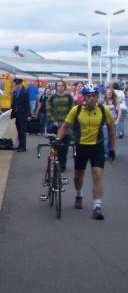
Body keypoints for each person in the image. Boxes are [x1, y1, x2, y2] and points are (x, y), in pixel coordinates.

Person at [56, 84, 115, 220]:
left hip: (97, 147)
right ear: (84, 97)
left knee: (97, 174)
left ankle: (97, 207)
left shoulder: (103, 110)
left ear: (98, 97)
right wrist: (58, 139)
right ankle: (79, 195)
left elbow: (111, 130)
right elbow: (65, 126)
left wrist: (112, 149)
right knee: (78, 176)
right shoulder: (76, 110)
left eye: (94, 96)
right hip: (81, 147)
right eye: (89, 96)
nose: (92, 99)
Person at [47, 81, 74, 171]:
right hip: (55, 124)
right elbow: (48, 110)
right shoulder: (52, 97)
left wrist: (68, 122)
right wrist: (53, 120)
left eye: (62, 85)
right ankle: (54, 163)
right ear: (56, 87)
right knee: (55, 145)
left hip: (66, 125)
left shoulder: (69, 97)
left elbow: (73, 110)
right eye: (58, 85)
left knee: (64, 146)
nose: (60, 87)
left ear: (65, 87)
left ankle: (62, 166)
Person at [10, 77, 31, 151]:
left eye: (17, 84)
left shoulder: (24, 93)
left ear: (20, 84)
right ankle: (20, 145)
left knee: (22, 131)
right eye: (15, 84)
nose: (16, 86)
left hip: (23, 114)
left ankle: (23, 147)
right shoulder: (16, 92)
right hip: (17, 114)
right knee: (19, 130)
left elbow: (27, 104)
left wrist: (29, 115)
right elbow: (14, 103)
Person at [102, 88, 122, 156]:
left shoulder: (115, 100)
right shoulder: (103, 100)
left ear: (112, 93)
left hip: (113, 121)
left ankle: (111, 151)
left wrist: (117, 120)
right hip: (105, 121)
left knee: (112, 138)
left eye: (110, 92)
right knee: (105, 137)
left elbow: (119, 111)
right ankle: (106, 152)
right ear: (105, 93)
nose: (108, 93)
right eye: (107, 92)